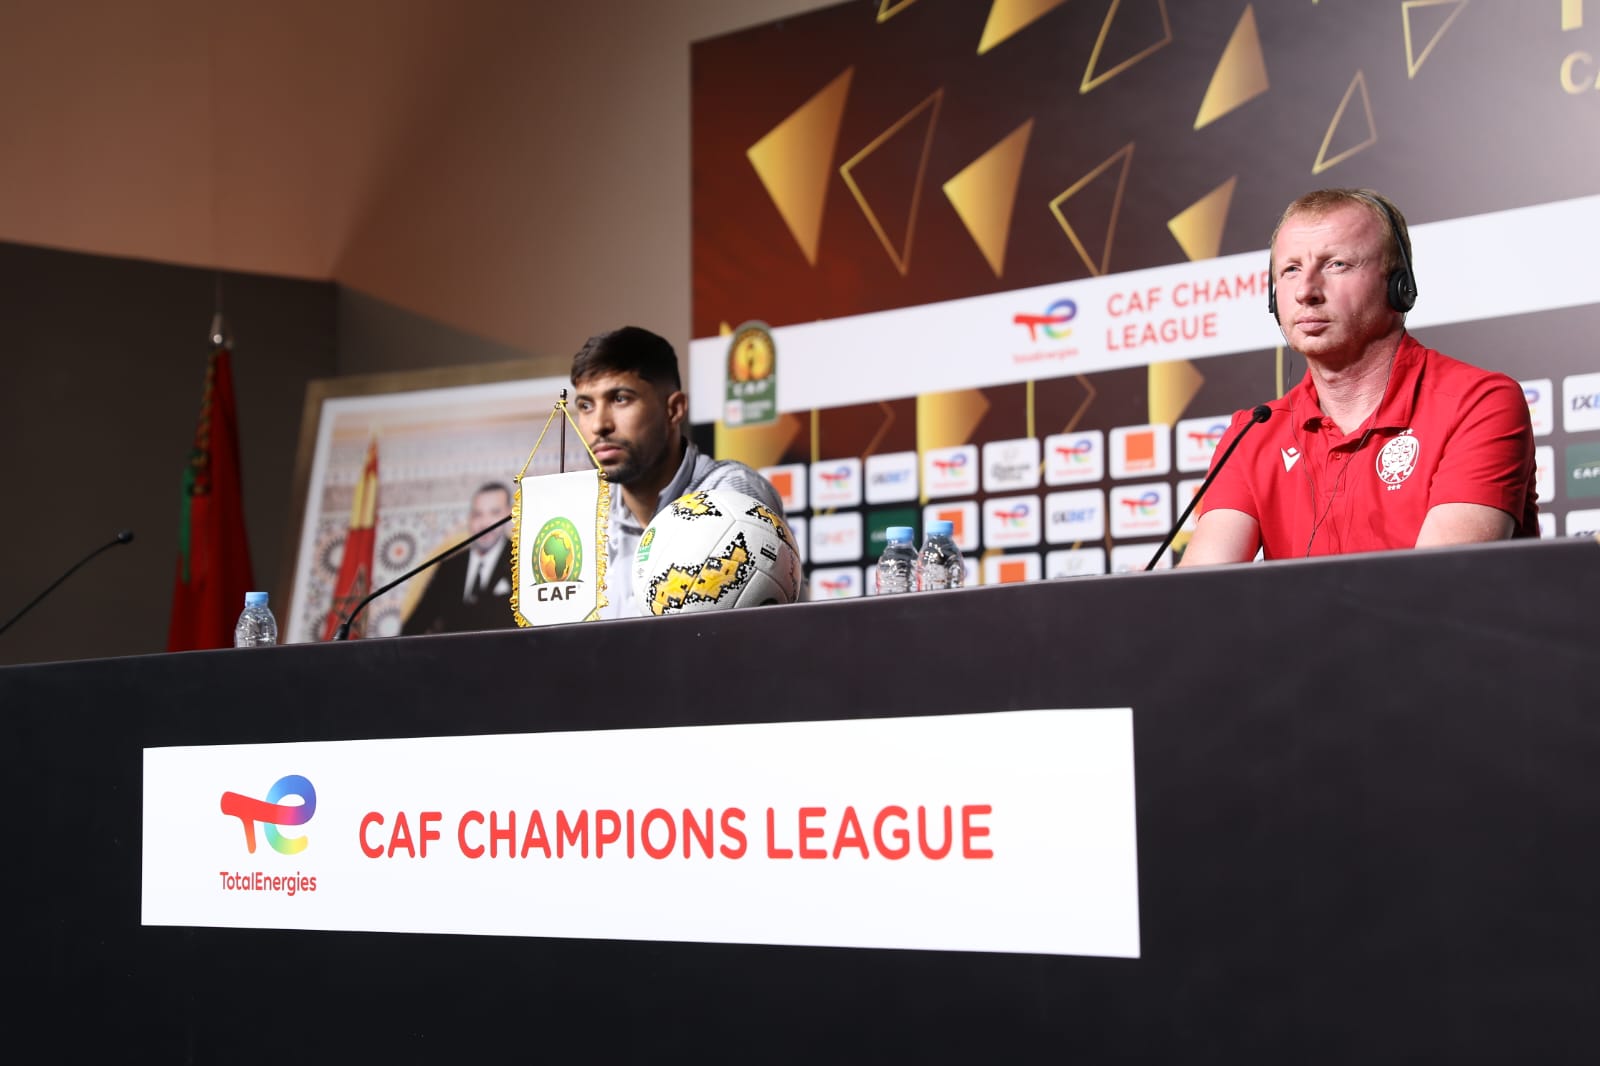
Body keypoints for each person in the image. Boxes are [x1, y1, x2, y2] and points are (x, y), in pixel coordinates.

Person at [1179, 188, 1537, 566]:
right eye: (1291, 269)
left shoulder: (1478, 403)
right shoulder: (1252, 434)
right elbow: (1202, 590)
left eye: (1336, 264)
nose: (1305, 291)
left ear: (1399, 287)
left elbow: (1439, 587)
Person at [571, 326, 786, 618]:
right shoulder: (590, 518)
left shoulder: (732, 493)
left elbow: (733, 636)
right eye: (586, 405)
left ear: (674, 409)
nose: (599, 425)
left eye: (620, 399)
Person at [400, 481, 518, 634]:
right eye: (478, 514)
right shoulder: (449, 568)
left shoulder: (520, 560)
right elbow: (414, 626)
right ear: (469, 518)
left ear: (508, 514)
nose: (484, 523)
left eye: (494, 513)